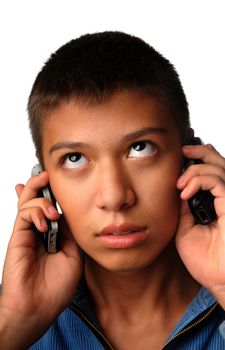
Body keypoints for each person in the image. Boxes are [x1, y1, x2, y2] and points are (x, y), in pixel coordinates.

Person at [1, 31, 225, 350]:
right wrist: (14, 323)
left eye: (140, 148)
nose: (114, 197)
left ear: (189, 155)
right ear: (45, 183)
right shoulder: (14, 316)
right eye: (74, 158)